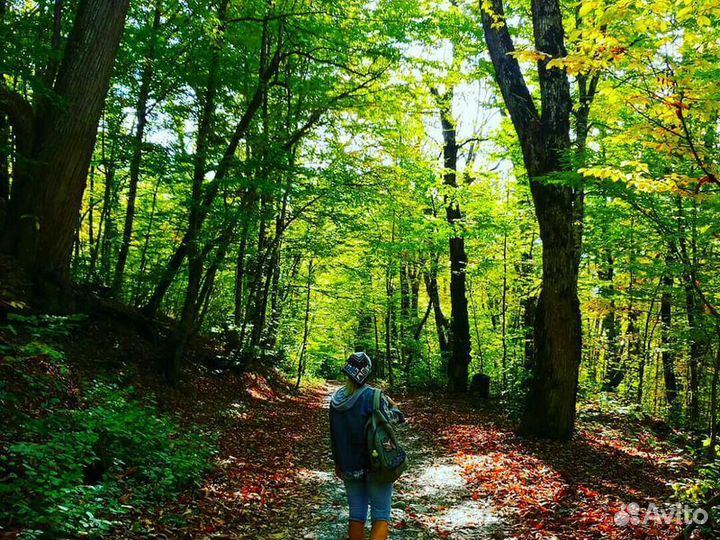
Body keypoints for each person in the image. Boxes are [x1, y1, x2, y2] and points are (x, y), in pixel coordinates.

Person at [329, 351, 405, 540]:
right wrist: (394, 406)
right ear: (368, 373)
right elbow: (395, 419)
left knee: (356, 515)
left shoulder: (336, 400)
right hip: (377, 464)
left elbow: (334, 435)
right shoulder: (374, 396)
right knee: (381, 515)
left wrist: (338, 462)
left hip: (348, 465)